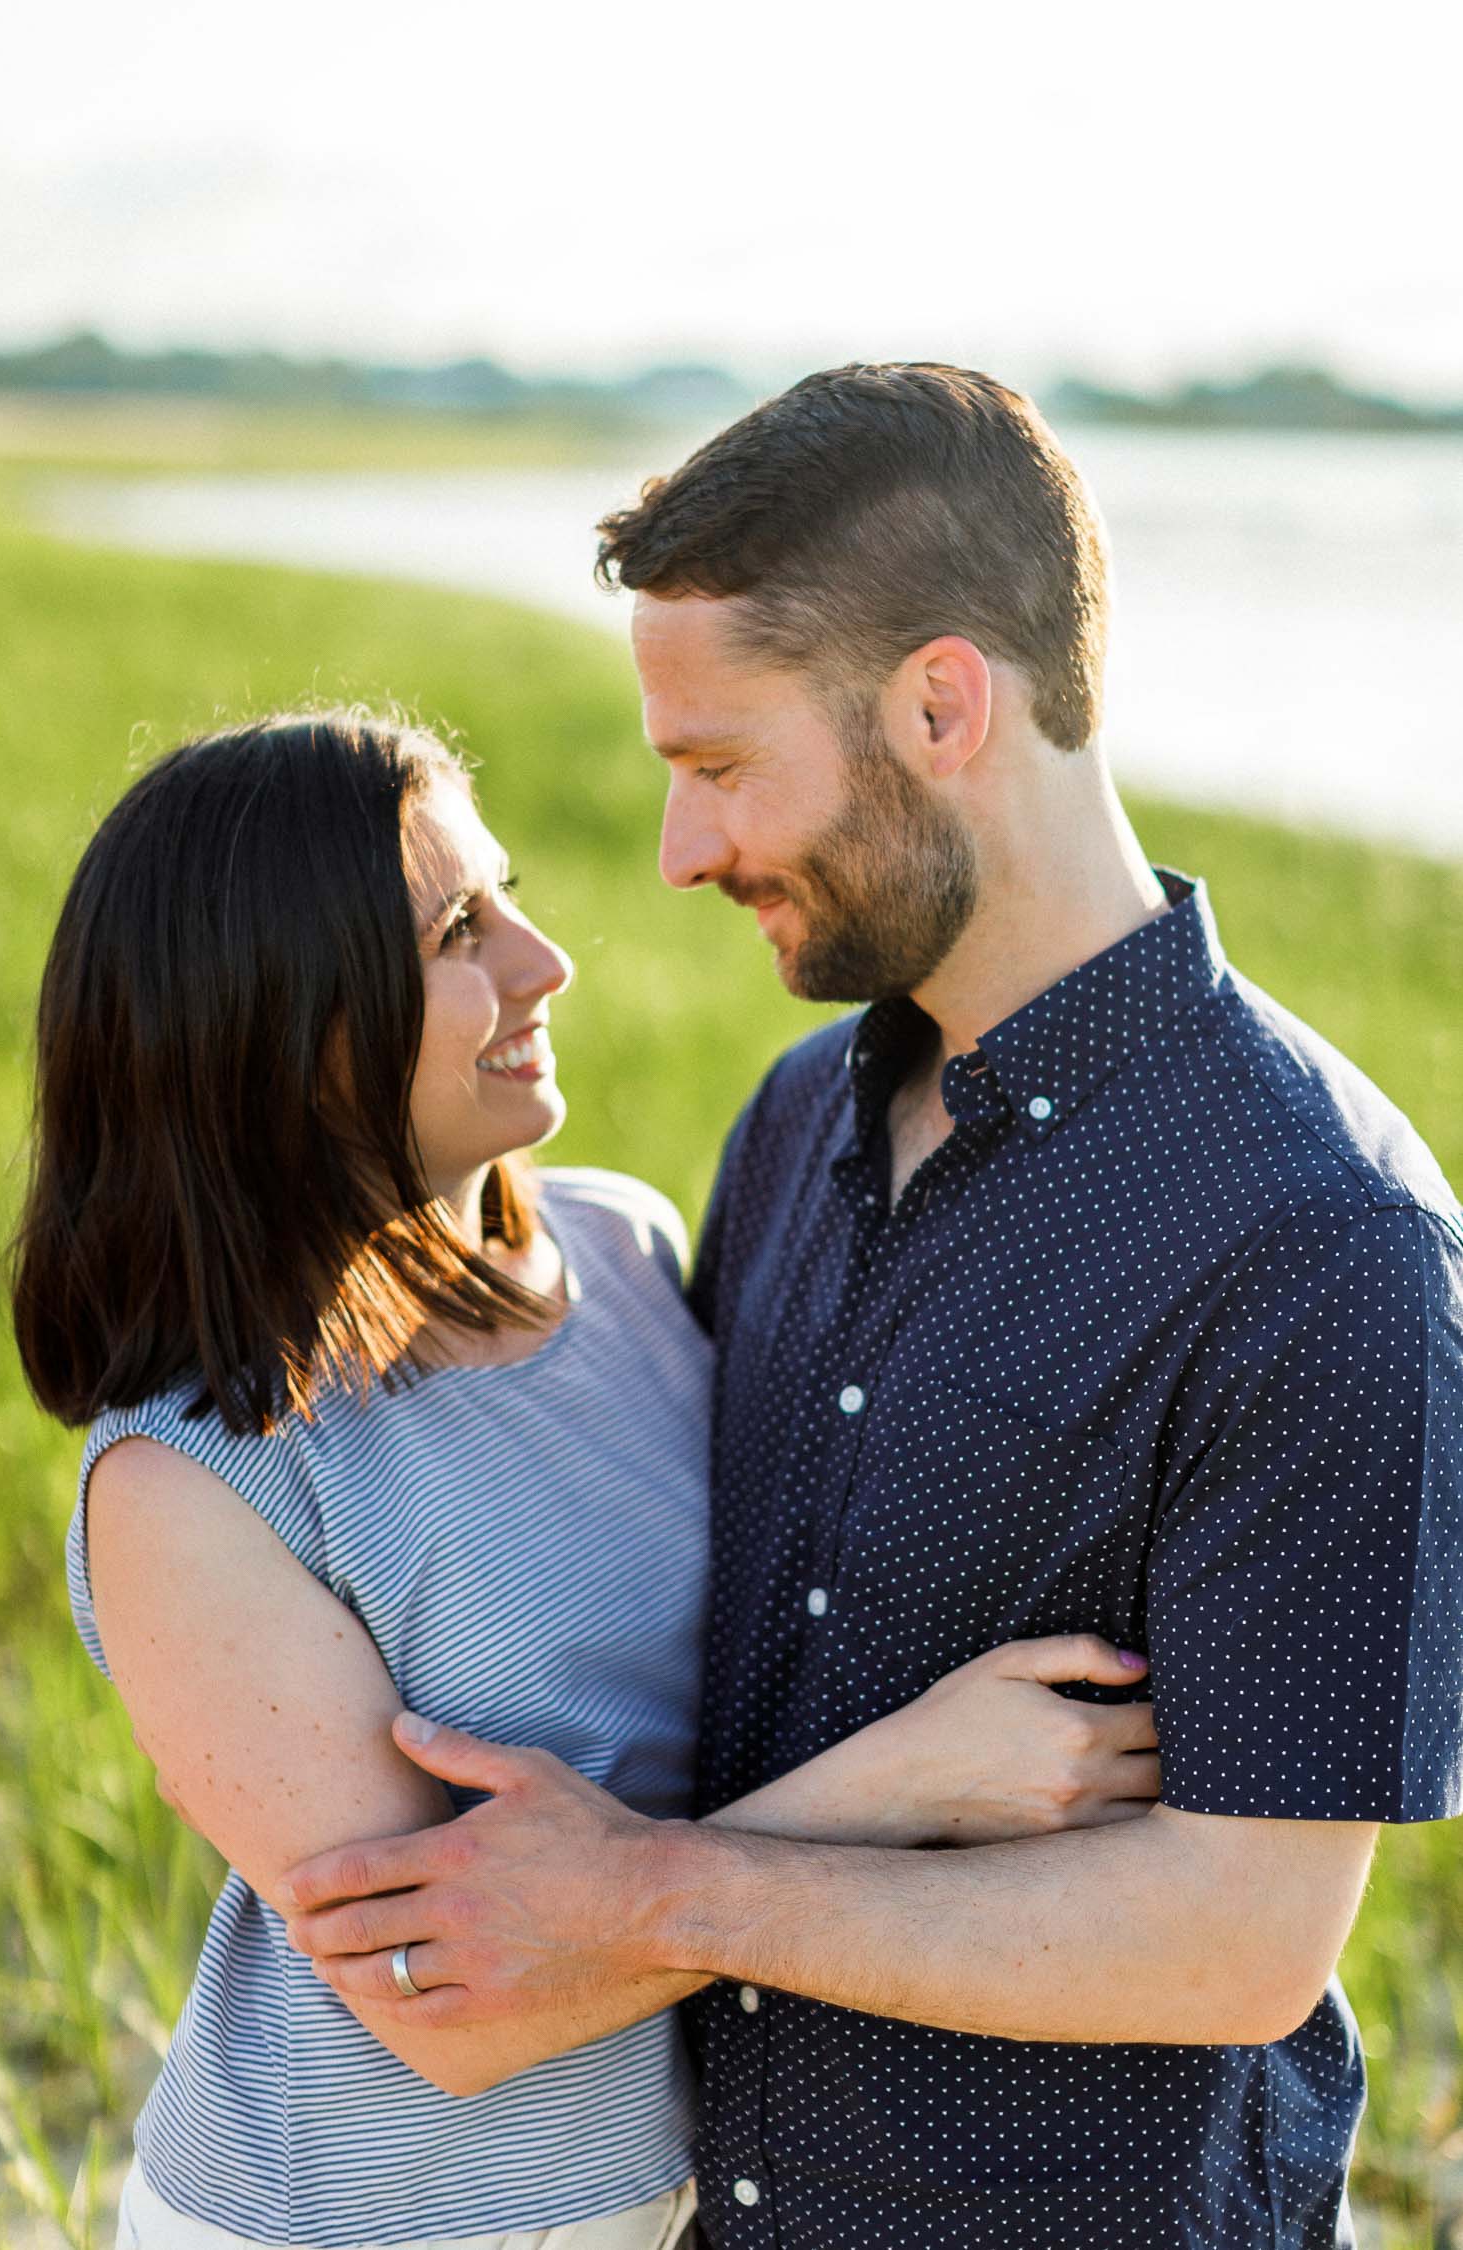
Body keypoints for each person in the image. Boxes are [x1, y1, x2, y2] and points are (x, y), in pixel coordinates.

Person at [282, 369, 1463, 2249]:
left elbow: (1238, 1939)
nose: (678, 850)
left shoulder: (1321, 1241)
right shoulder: (794, 1121)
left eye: (721, 765)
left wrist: (659, 1896)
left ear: (940, 705)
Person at [13, 708, 1163, 2250]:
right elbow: (450, 2003)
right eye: (456, 934)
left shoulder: (625, 1248)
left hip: (692, 2191)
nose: (545, 961)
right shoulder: (190, 1475)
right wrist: (914, 1782)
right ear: (284, 1018)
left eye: (509, 896)